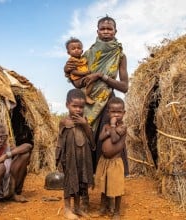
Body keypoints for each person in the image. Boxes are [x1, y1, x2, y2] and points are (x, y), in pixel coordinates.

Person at [64, 15, 129, 176]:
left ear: (115, 31)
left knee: (106, 141)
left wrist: (101, 76)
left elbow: (124, 87)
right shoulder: (87, 54)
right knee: (84, 137)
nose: (106, 32)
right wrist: (68, 71)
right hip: (88, 102)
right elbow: (80, 84)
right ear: (97, 31)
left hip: (108, 103)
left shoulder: (120, 55)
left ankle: (110, 184)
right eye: (103, 29)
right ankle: (85, 181)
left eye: (109, 29)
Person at [55, 88, 95, 219]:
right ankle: (67, 209)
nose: (78, 109)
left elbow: (91, 140)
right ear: (67, 105)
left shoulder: (85, 121)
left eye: (81, 107)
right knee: (69, 183)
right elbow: (60, 142)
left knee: (80, 182)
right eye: (74, 106)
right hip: (69, 159)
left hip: (83, 158)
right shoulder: (64, 122)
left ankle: (77, 208)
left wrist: (85, 125)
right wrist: (59, 159)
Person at [95, 97, 126, 219]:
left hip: (115, 163)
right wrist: (109, 129)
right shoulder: (106, 126)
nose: (116, 115)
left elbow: (114, 139)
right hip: (105, 161)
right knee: (104, 185)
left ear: (124, 113)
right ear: (108, 112)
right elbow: (101, 138)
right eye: (113, 112)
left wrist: (112, 126)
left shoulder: (123, 127)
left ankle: (117, 212)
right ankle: (103, 207)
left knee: (116, 187)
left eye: (119, 112)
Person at [65, 37, 95, 104]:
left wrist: (92, 48)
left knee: (91, 80)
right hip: (77, 80)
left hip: (82, 78)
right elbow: (74, 72)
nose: (76, 50)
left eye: (79, 48)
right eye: (73, 49)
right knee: (91, 80)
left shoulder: (82, 59)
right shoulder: (71, 61)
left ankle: (85, 93)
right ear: (68, 52)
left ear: (82, 51)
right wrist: (85, 73)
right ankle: (85, 95)